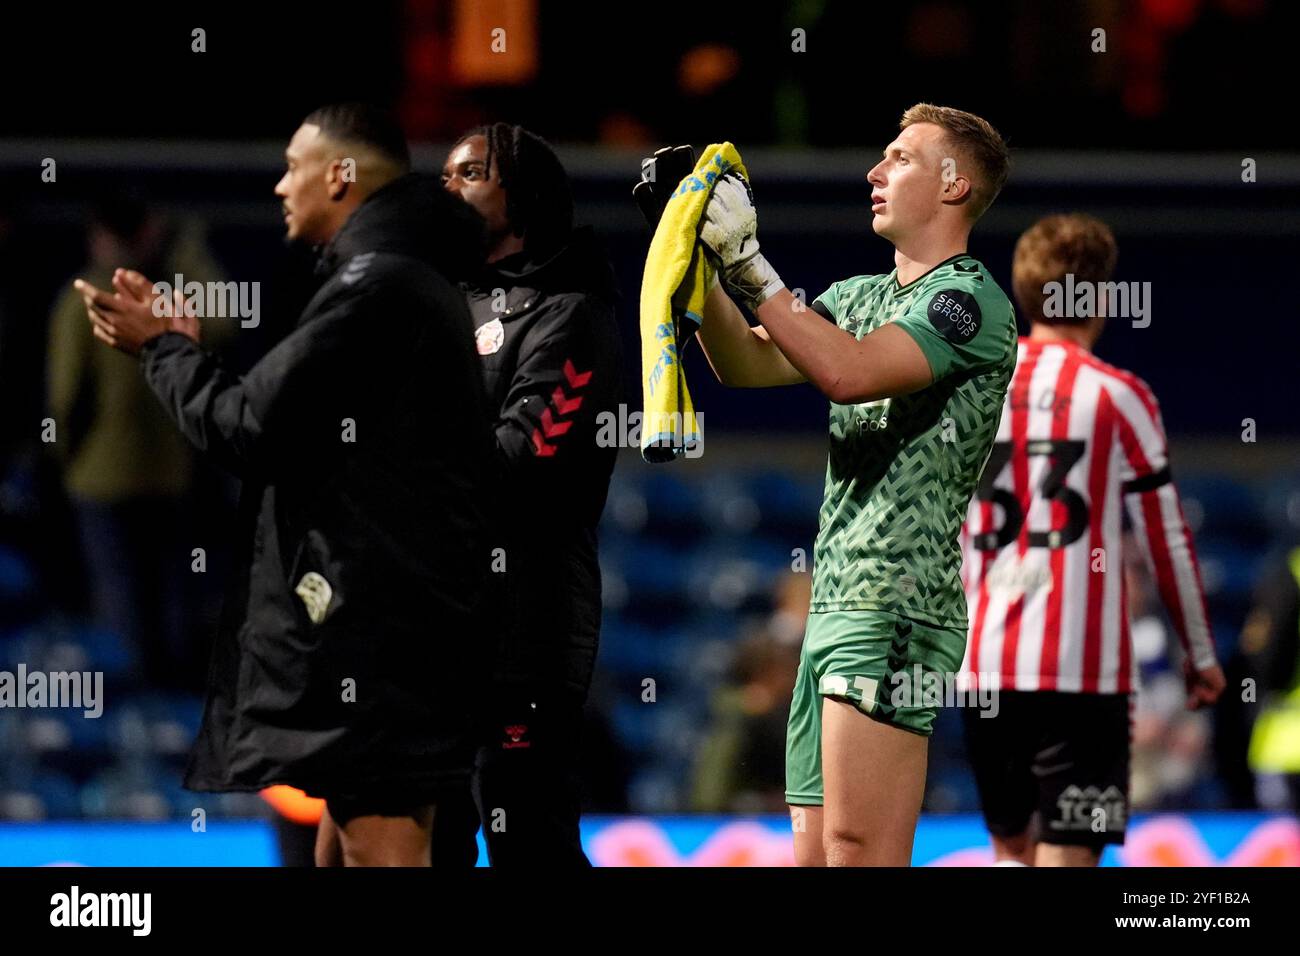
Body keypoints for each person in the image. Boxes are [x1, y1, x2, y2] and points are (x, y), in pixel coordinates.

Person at [75, 103, 497, 867]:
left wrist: (164, 350)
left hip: (378, 631)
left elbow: (248, 426)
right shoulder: (405, 276)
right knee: (339, 851)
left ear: (340, 175)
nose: (277, 186)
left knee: (383, 850)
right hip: (394, 619)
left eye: (292, 166)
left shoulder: (376, 287)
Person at [642, 103, 1016, 865]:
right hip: (837, 604)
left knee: (859, 850)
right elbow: (743, 364)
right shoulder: (856, 298)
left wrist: (749, 264)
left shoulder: (970, 301)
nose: (875, 174)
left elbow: (848, 374)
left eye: (900, 159)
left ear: (956, 186)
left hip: (898, 606)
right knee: (814, 857)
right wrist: (698, 253)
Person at [959, 213, 1225, 865]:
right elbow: (1165, 537)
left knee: (1009, 854)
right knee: (1070, 856)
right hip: (1085, 684)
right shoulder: (1119, 395)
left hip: (983, 673)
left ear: (1022, 294)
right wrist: (1198, 653)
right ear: (1100, 299)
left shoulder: (967, 390)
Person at [431, 123, 622, 866]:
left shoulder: (570, 312)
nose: (448, 187)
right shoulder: (436, 299)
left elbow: (521, 463)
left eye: (470, 172)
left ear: (524, 193)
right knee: (431, 838)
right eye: (444, 174)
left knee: (528, 836)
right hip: (436, 621)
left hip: (527, 630)